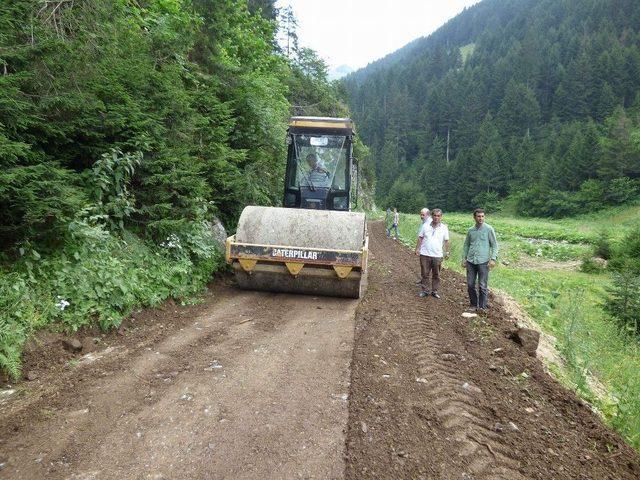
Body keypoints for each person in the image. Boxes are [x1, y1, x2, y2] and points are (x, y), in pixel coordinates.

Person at [462, 208, 499, 313]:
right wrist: (464, 258)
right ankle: (473, 305)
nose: (481, 218)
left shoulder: (489, 229)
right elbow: (466, 245)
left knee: (482, 285)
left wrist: (493, 258)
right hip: (471, 261)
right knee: (470, 285)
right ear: (474, 217)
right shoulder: (470, 230)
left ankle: (482, 307)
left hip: (483, 262)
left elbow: (495, 245)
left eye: (482, 216)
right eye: (478, 216)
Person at [415, 209, 450, 298]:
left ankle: (434, 291)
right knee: (425, 273)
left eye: (438, 216)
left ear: (441, 217)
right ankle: (425, 291)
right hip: (425, 254)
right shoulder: (425, 226)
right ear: (432, 216)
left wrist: (447, 252)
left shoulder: (444, 228)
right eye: (434, 215)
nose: (436, 217)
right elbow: (420, 238)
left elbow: (446, 241)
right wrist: (417, 249)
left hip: (437, 255)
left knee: (436, 274)